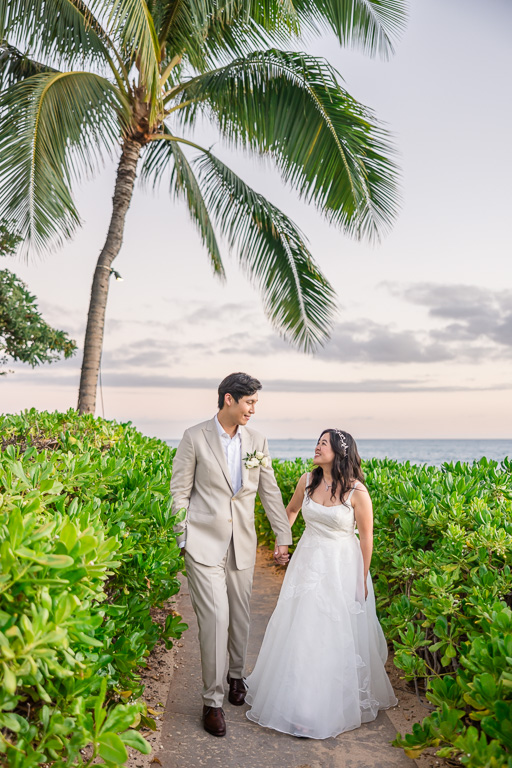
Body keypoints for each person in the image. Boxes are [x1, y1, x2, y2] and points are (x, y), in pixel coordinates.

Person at [245, 428, 397, 739]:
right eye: (317, 442)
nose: (316, 447)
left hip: (342, 567)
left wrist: (362, 579)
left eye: (323, 444)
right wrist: (281, 543)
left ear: (339, 453)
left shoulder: (357, 492)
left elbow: (367, 538)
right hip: (307, 564)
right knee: (302, 629)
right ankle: (298, 703)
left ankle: (323, 707)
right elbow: (291, 511)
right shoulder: (308, 480)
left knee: (332, 633)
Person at [171, 372, 292, 737]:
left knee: (239, 616)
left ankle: (236, 676)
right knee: (215, 620)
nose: (253, 410)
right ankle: (212, 701)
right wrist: (183, 539)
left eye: (255, 403)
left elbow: (268, 492)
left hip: (243, 542)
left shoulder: (257, 440)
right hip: (203, 544)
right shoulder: (194, 437)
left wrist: (281, 535)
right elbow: (179, 492)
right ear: (229, 399)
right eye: (249, 402)